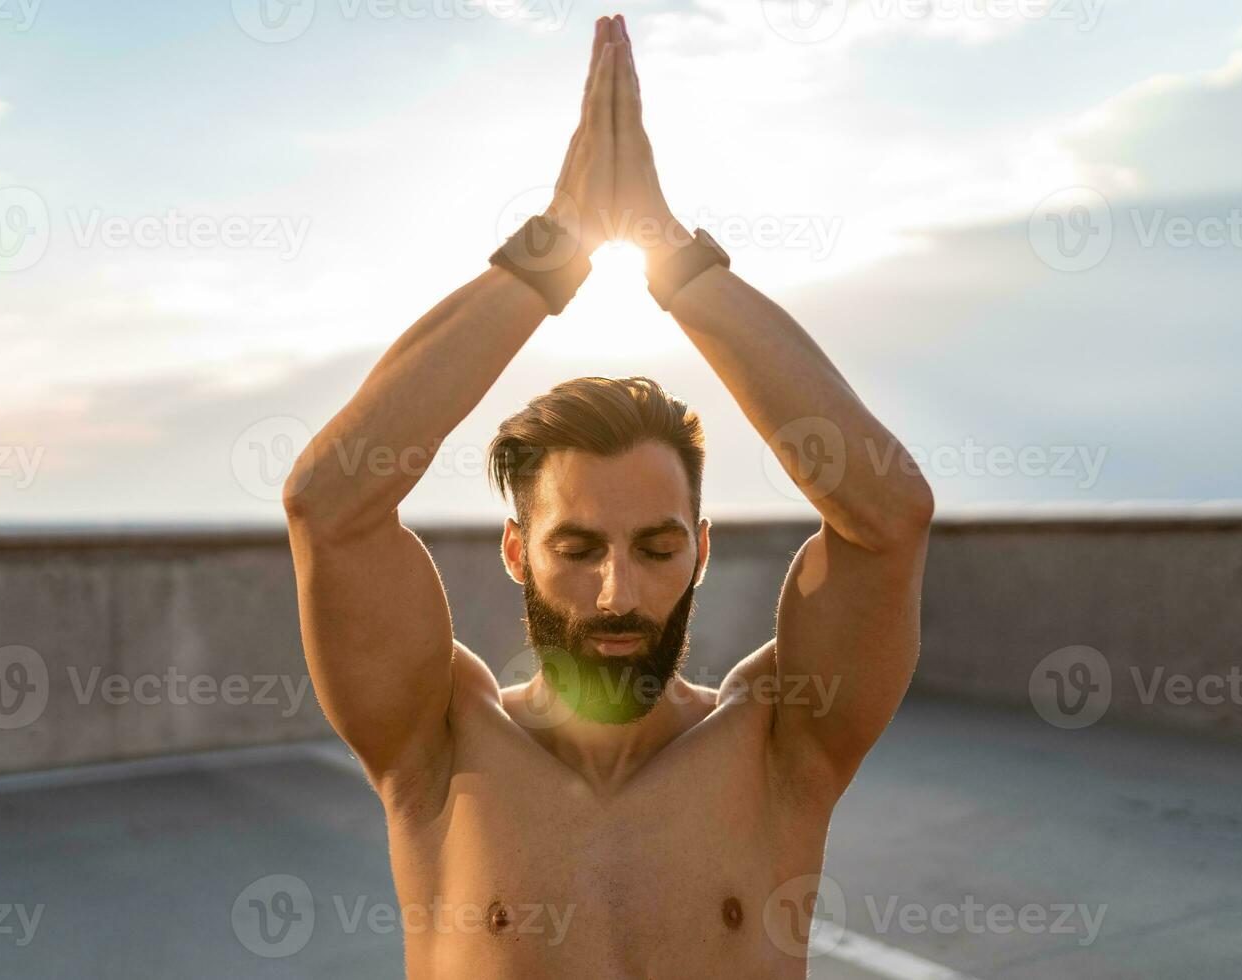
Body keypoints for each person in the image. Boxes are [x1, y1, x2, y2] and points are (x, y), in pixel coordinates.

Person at [282, 13, 934, 977]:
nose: (618, 594)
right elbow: (327, 506)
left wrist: (673, 257)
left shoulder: (775, 744)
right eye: (578, 548)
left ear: (702, 550)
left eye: (657, 548)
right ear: (517, 551)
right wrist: (553, 251)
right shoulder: (441, 741)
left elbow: (889, 519)